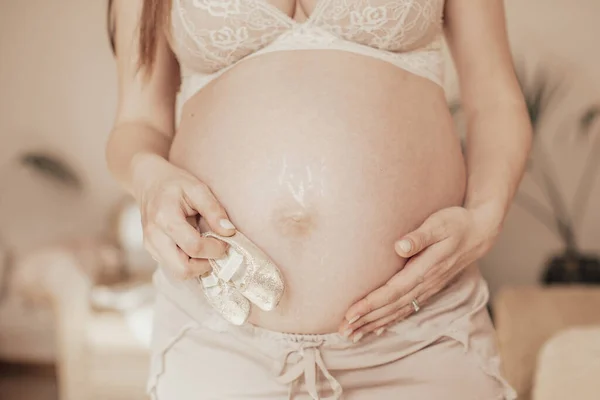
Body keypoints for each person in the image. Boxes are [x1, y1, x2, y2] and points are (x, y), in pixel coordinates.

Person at [106, 0, 531, 398]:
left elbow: (495, 101)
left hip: (423, 333)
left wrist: (483, 220)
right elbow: (138, 122)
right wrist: (149, 178)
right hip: (220, 335)